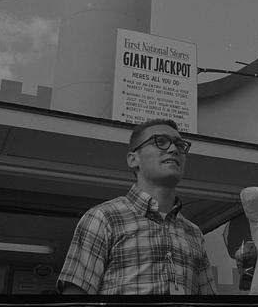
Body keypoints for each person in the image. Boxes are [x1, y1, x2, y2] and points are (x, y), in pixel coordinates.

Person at [57, 118, 217, 295]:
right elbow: (74, 304)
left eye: (180, 145)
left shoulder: (194, 233)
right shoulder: (103, 217)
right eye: (161, 142)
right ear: (133, 159)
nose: (173, 150)